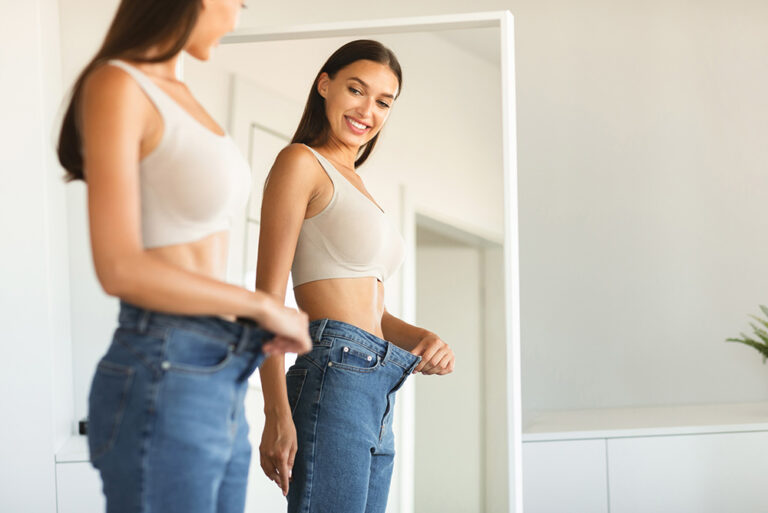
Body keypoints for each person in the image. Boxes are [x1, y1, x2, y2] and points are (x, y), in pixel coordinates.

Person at [55, 1, 312, 512]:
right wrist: (260, 304)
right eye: (238, 2)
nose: (239, 17)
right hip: (164, 363)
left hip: (222, 369)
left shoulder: (185, 96)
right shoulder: (118, 84)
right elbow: (119, 267)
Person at [255, 39, 456, 513]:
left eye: (384, 101)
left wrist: (422, 337)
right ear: (324, 85)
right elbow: (266, 299)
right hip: (334, 371)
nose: (368, 109)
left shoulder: (360, 186)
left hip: (378, 380)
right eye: (356, 90)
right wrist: (275, 412)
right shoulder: (300, 163)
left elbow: (372, 311)